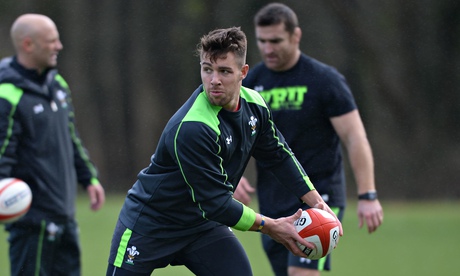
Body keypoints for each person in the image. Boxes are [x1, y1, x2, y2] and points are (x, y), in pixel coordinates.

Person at [106, 26, 342, 276]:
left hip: (202, 227)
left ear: (243, 72)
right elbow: (217, 205)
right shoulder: (193, 127)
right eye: (207, 69)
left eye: (224, 71)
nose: (214, 80)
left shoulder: (255, 106)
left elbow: (278, 155)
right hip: (151, 226)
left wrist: (316, 201)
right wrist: (272, 226)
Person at [234, 3, 384, 276]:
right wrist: (232, 177)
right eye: (262, 41)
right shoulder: (251, 81)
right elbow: (234, 133)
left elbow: (354, 137)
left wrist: (368, 194)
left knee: (301, 273)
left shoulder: (325, 80)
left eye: (276, 40)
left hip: (320, 195)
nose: (268, 48)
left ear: (296, 36)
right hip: (272, 200)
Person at [0, 14, 105, 276]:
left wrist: (89, 178)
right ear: (28, 45)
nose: (59, 46)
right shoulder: (7, 95)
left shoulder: (57, 84)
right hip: (31, 224)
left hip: (65, 217)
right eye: (51, 41)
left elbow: (71, 137)